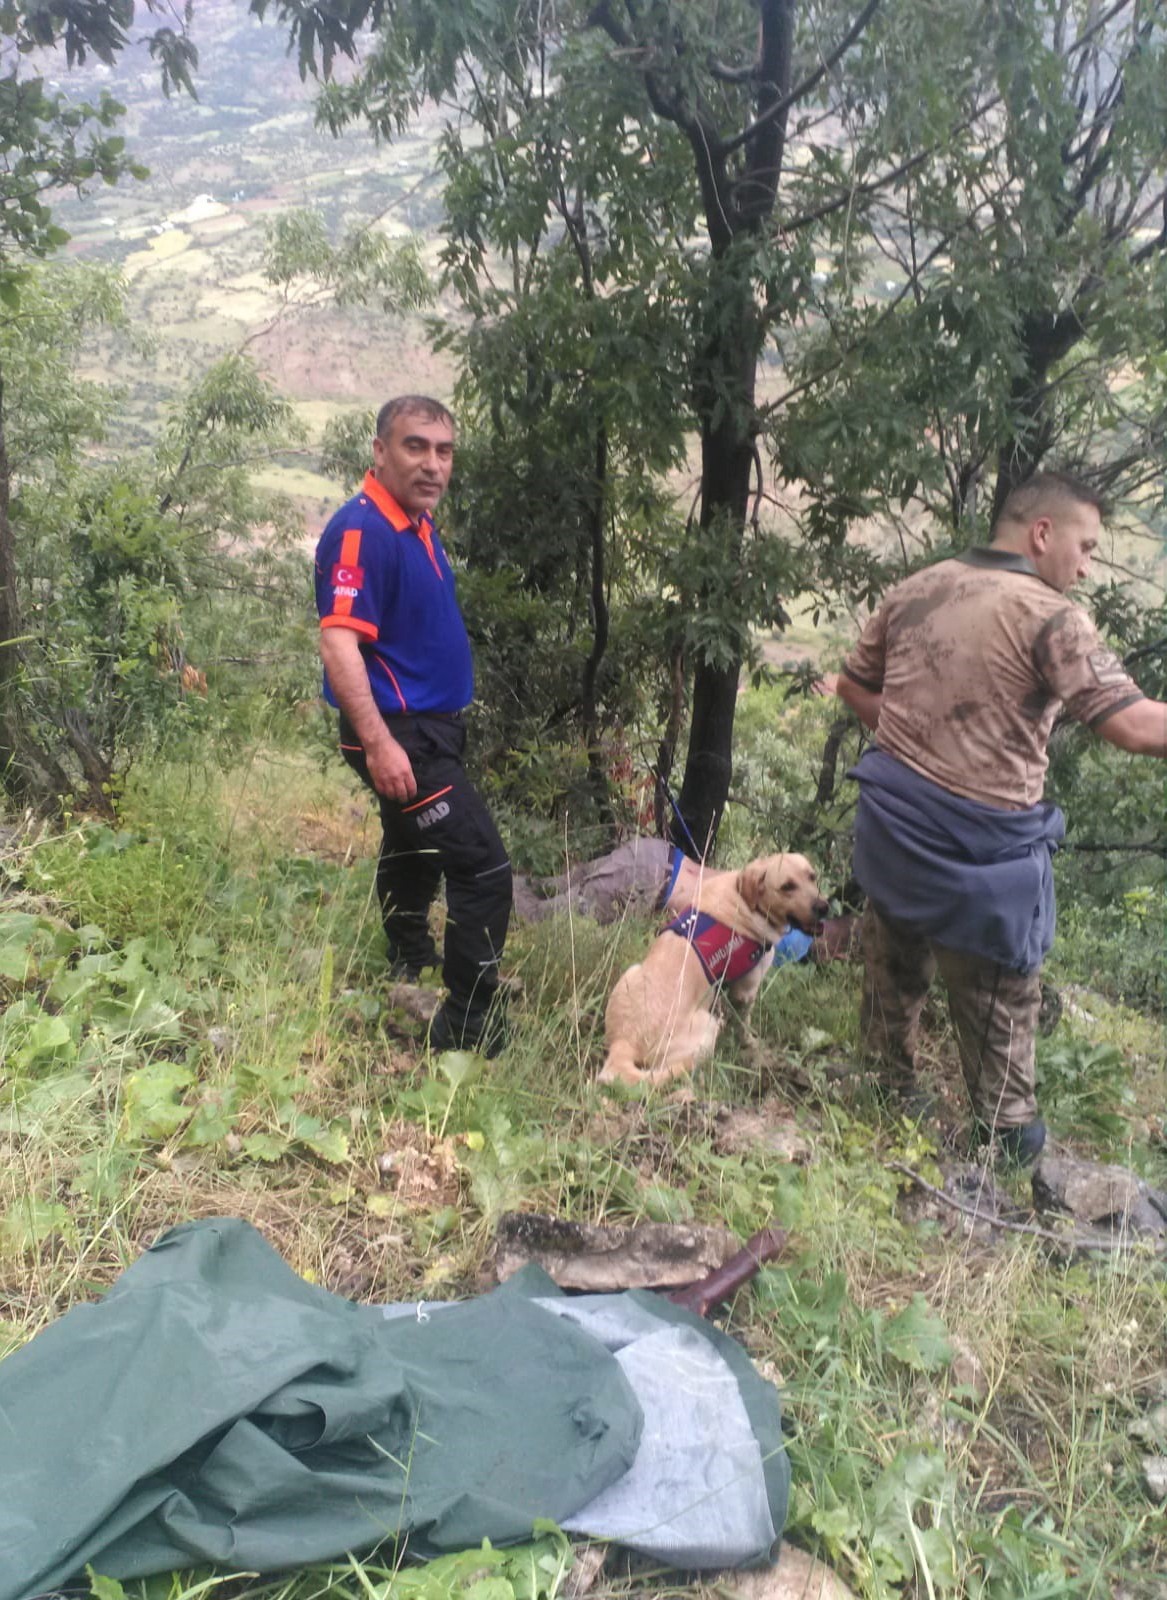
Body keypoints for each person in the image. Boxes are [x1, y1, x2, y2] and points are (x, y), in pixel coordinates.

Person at [835, 471, 1166, 1162]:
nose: (1086, 565)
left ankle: (884, 1097)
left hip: (893, 832)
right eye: (1085, 546)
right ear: (1042, 533)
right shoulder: (1050, 616)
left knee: (892, 975)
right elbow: (1135, 726)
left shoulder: (917, 587)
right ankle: (1005, 1146)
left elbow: (854, 687)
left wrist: (918, 748)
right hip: (982, 864)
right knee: (999, 1004)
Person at [314, 395, 512, 1057]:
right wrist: (379, 744)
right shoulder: (361, 530)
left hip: (426, 729)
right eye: (415, 446)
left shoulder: (416, 524)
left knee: (412, 844)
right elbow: (339, 643)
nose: (433, 464)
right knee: (481, 866)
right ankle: (468, 1025)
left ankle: (408, 958)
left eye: (444, 450)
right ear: (380, 451)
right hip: (401, 734)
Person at [512, 836, 854, 964]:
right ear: (837, 955)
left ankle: (495, 875)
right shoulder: (790, 943)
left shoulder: (766, 878)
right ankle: (486, 883)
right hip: (646, 883)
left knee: (544, 887)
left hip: (656, 854)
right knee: (536, 916)